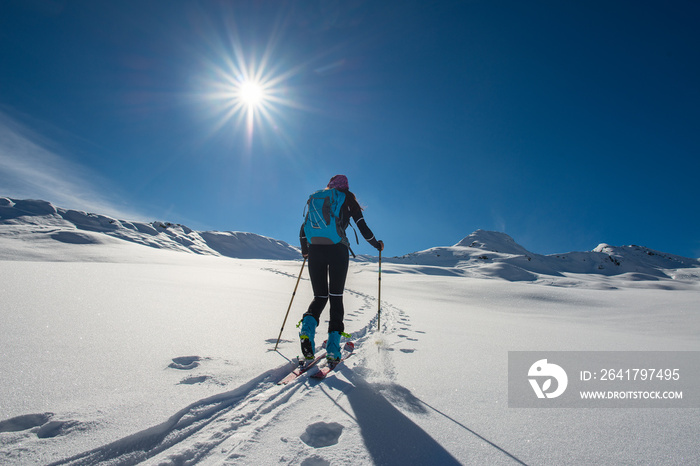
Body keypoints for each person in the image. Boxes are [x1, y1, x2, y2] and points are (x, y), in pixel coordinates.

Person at [299, 174, 384, 362]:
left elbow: (303, 228)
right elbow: (363, 228)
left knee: (320, 296)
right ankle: (332, 347)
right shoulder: (348, 200)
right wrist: (376, 245)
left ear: (330, 185)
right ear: (346, 186)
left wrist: (306, 251)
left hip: (315, 250)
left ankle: (307, 329)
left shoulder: (318, 199)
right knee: (336, 297)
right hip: (337, 250)